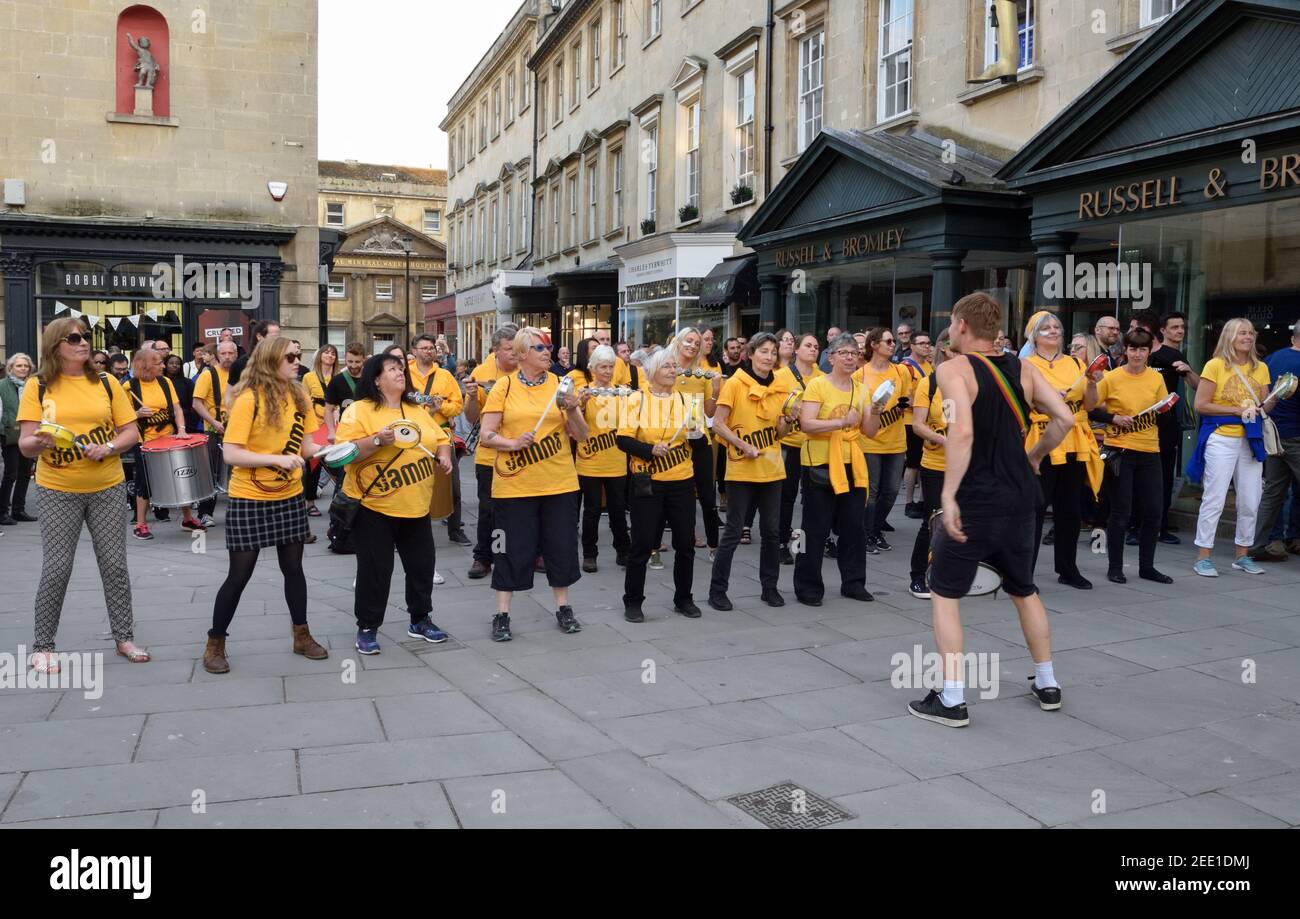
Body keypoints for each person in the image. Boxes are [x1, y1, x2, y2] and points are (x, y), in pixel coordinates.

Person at [907, 293, 1075, 729]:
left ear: (961, 326)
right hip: (1022, 497)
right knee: (1024, 589)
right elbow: (1065, 421)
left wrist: (948, 495)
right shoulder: (1026, 369)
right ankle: (1048, 682)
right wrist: (1035, 456)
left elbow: (960, 432)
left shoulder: (952, 369)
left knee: (944, 594)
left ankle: (952, 698)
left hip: (976, 498)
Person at [16, 318, 148, 671]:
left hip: (106, 484)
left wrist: (107, 447)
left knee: (115, 566)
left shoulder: (106, 383)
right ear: (56, 345)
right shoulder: (38, 385)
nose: (83, 343)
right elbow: (25, 445)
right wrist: (40, 441)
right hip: (58, 488)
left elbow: (130, 433)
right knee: (57, 568)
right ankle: (43, 646)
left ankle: (124, 638)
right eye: (74, 338)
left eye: (86, 337)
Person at [202, 337, 326, 674]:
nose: (297, 361)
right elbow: (231, 453)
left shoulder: (299, 395)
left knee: (294, 570)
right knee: (239, 575)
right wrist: (276, 459)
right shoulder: (249, 399)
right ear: (271, 360)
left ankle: (301, 636)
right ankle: (215, 643)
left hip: (288, 496)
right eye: (290, 357)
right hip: (249, 497)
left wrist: (330, 450)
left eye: (299, 356)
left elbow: (307, 445)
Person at [335, 354, 454, 654]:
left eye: (401, 369)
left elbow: (440, 437)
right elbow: (343, 454)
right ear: (376, 378)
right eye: (392, 369)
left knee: (422, 566)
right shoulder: (359, 410)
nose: (400, 373)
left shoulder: (416, 409)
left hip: (416, 504)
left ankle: (420, 619)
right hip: (375, 507)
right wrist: (377, 441)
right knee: (376, 570)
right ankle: (367, 627)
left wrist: (444, 455)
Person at [478, 327, 587, 641]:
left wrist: (573, 408)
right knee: (509, 549)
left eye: (548, 347)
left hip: (559, 482)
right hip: (514, 486)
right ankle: (502, 613)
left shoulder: (560, 385)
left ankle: (563, 607)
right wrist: (512, 443)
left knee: (561, 547)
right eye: (539, 347)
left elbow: (581, 435)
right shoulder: (504, 386)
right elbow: (486, 435)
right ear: (522, 353)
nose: (547, 352)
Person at [793, 332, 881, 606]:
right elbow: (807, 424)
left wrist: (876, 410)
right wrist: (841, 422)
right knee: (814, 528)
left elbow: (870, 431)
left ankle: (854, 583)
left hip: (852, 462)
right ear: (830, 357)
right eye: (843, 353)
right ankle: (807, 587)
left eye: (854, 353)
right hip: (820, 462)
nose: (850, 358)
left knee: (855, 527)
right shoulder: (818, 385)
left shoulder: (861, 389)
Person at [708, 332, 793, 610]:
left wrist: (788, 421)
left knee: (771, 531)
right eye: (764, 351)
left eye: (773, 352)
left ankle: (770, 588)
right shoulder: (735, 384)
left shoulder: (781, 385)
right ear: (751, 353)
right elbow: (718, 424)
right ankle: (717, 590)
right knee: (733, 531)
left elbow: (780, 432)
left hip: (771, 467)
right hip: (741, 468)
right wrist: (742, 444)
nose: (769, 357)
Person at [1188, 318, 1278, 577]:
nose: (1248, 337)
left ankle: (1242, 554)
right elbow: (1201, 405)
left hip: (1251, 438)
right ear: (1229, 336)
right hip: (1221, 436)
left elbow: (1265, 406)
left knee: (1251, 500)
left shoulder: (1260, 368)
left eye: (1251, 332)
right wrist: (1237, 410)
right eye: (1242, 333)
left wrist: (1278, 395)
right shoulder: (1215, 365)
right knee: (1214, 497)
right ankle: (1203, 555)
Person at [1084, 328, 1174, 584]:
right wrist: (1113, 417)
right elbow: (1090, 408)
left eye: (1142, 349)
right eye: (1133, 349)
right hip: (1119, 450)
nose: (1137, 354)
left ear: (1148, 352)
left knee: (1154, 511)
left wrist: (1165, 408)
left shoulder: (1156, 379)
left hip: (1149, 450)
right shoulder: (1112, 378)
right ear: (1126, 350)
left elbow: (1163, 416)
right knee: (1121, 511)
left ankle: (1147, 566)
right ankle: (1115, 567)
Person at [617, 347, 701, 622]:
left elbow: (697, 439)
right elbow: (623, 440)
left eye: (674, 366)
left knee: (685, 544)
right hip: (647, 482)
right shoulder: (636, 400)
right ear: (652, 371)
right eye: (666, 366)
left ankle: (684, 598)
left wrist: (697, 431)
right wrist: (650, 449)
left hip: (682, 480)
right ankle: (633, 601)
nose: (672, 370)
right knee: (641, 545)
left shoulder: (687, 400)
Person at [1023, 311, 1104, 590]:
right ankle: (1024, 573)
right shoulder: (1026, 364)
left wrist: (1092, 383)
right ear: (1034, 335)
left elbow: (1090, 405)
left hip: (1075, 440)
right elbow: (1024, 403)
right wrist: (1048, 402)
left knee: (1070, 509)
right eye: (1046, 328)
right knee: (1035, 508)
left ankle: (1068, 569)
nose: (1054, 331)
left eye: (1057, 326)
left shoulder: (1075, 363)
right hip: (1043, 440)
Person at [123, 346, 203, 538]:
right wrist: (136, 413)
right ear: (145, 366)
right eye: (158, 363)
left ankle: (187, 518)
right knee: (145, 482)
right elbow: (120, 418)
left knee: (179, 476)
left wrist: (182, 430)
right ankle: (140, 524)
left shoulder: (165, 382)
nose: (163, 366)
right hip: (145, 441)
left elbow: (176, 410)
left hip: (169, 437)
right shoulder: (129, 388)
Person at [464, 324, 519, 580]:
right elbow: (472, 417)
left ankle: (523, 553)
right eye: (509, 349)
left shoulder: (529, 368)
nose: (515, 354)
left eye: (518, 348)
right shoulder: (481, 372)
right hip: (490, 455)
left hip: (523, 455)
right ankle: (485, 556)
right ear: (496, 350)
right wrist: (472, 397)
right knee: (489, 509)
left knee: (521, 509)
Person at [570, 344, 632, 572]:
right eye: (603, 367)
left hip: (616, 460)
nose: (607, 371)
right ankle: (589, 553)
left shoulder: (620, 392)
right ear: (593, 368)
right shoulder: (584, 392)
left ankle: (623, 550)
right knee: (592, 510)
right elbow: (575, 427)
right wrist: (581, 405)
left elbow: (630, 423)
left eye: (610, 367)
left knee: (617, 509)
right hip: (590, 460)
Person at [854, 327, 912, 553]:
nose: (892, 344)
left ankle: (876, 530)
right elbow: (857, 408)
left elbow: (908, 398)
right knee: (872, 492)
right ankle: (867, 534)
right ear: (874, 345)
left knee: (890, 492)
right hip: (869, 441)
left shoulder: (901, 371)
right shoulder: (861, 375)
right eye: (888, 341)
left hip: (896, 441)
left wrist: (903, 406)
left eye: (893, 341)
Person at [408, 334, 467, 547]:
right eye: (423, 348)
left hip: (441, 435)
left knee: (453, 485)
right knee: (411, 483)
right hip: (414, 437)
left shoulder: (444, 375)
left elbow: (458, 405)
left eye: (431, 348)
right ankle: (408, 532)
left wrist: (440, 407)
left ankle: (455, 528)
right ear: (414, 351)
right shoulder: (405, 375)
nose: (428, 351)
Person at [670, 328, 723, 557]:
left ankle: (713, 546)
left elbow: (709, 412)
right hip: (672, 439)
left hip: (698, 436)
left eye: (696, 342)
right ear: (679, 342)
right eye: (688, 341)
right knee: (675, 494)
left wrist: (716, 392)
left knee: (707, 495)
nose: (692, 345)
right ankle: (667, 545)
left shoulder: (702, 374)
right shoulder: (667, 369)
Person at [1148, 311, 1201, 544]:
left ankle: (1158, 524)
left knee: (1165, 474)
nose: (1180, 331)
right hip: (1146, 424)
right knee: (1151, 475)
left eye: (1182, 327)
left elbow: (1197, 385)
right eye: (1175, 327)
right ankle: (1147, 524)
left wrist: (1187, 370)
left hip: (1168, 424)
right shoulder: (1151, 356)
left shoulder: (1176, 355)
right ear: (1163, 330)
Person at [908, 328, 952, 598]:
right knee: (934, 520)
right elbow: (918, 426)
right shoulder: (930, 383)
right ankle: (918, 575)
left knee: (961, 521)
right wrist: (944, 439)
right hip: (936, 463)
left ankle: (951, 574)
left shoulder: (971, 380)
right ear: (946, 348)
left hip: (966, 464)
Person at [1251, 320, 1300, 561]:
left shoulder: (1273, 359)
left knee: (1272, 492)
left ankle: (1261, 543)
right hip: (1296, 436)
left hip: (1273, 435)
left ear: (1293, 337)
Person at [774, 332, 822, 565]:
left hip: (814, 444)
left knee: (812, 497)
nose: (813, 349)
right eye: (808, 345)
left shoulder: (823, 377)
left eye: (816, 346)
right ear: (797, 350)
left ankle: (804, 544)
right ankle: (781, 542)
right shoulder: (781, 376)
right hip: (789, 445)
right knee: (786, 496)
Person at [192, 340, 238, 528]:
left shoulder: (242, 375)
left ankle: (238, 512)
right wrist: (213, 422)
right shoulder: (208, 375)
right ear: (218, 355)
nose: (227, 357)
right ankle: (205, 513)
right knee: (210, 472)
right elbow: (197, 403)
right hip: (213, 430)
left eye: (230, 353)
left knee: (237, 472)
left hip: (236, 430)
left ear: (236, 354)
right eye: (224, 353)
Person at [323, 342, 367, 492]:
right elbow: (328, 409)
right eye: (350, 362)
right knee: (344, 475)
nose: (353, 365)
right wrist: (330, 431)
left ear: (364, 360)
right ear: (345, 359)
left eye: (357, 362)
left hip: (368, 432)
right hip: (346, 435)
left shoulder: (371, 380)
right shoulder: (337, 381)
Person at [899, 331, 934, 518]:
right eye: (921, 343)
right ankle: (908, 502)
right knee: (912, 463)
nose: (926, 346)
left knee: (924, 462)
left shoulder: (929, 366)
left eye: (928, 343)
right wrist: (923, 404)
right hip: (910, 422)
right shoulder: (905, 368)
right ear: (912, 346)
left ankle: (922, 500)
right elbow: (903, 399)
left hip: (927, 421)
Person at [1, 353, 38, 524]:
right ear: (11, 368)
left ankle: (18, 510)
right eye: (19, 366)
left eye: (25, 366)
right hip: (9, 434)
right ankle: (2, 512)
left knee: (25, 473)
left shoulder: (33, 385)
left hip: (29, 434)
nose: (23, 369)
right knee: (11, 474)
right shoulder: (2, 385)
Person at [301, 344, 338, 517]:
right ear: (320, 356)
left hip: (334, 423)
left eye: (333, 353)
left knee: (339, 463)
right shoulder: (309, 377)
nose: (330, 355)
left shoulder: (339, 377)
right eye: (327, 352)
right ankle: (310, 502)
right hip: (314, 423)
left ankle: (339, 501)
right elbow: (303, 400)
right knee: (313, 465)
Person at [226, 320, 280, 390]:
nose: (278, 341)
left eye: (279, 337)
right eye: (274, 337)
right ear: (259, 336)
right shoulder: (240, 365)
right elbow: (229, 395)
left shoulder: (283, 361)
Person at [165, 353, 200, 434]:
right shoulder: (160, 382)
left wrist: (192, 421)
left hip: (186, 422)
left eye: (177, 363)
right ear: (165, 365)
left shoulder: (187, 382)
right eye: (171, 363)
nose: (174, 365)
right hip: (165, 421)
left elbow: (194, 404)